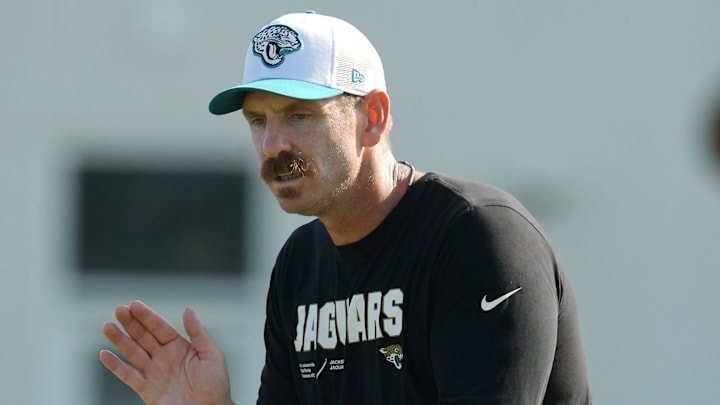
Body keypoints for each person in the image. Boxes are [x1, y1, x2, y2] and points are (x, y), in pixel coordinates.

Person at [100, 11, 592, 405]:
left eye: (300, 115)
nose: (273, 144)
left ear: (372, 118)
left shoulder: (479, 238)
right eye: (257, 120)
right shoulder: (300, 265)